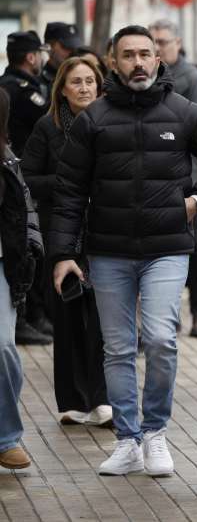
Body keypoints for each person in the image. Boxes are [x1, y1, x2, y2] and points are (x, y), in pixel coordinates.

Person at [49, 25, 197, 477]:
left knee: (160, 340)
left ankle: (155, 433)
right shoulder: (93, 120)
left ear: (158, 59)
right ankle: (128, 439)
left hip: (167, 248)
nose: (138, 62)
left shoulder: (185, 112)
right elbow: (69, 192)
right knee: (118, 349)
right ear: (113, 62)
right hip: (108, 252)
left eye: (145, 54)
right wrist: (62, 254)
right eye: (128, 55)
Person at [21, 56, 111, 427]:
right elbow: (28, 178)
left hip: (104, 230)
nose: (84, 88)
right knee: (69, 313)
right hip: (61, 231)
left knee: (104, 317)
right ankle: (74, 400)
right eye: (76, 81)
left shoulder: (110, 122)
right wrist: (66, 182)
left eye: (90, 81)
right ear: (62, 89)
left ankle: (104, 398)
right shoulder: (48, 127)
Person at [150, 18, 197, 339]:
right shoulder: (147, 79)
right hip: (159, 177)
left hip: (190, 176)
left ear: (178, 43)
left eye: (163, 41)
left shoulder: (193, 79)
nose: (158, 48)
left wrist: (196, 191)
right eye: (154, 42)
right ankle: (168, 315)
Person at [0, 87, 44, 470]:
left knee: (2, 346)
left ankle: (6, 437)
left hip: (4, 264)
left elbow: (26, 211)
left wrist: (32, 247)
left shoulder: (8, 159)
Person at [1, 31, 52, 346]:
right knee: (25, 247)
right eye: (39, 54)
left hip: (14, 174)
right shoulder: (20, 90)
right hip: (15, 175)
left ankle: (26, 317)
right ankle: (23, 318)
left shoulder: (8, 85)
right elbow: (47, 116)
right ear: (31, 57)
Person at [41, 22, 83, 96]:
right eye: (66, 47)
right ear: (50, 47)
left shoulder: (83, 76)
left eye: (74, 48)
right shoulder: (40, 82)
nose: (71, 52)